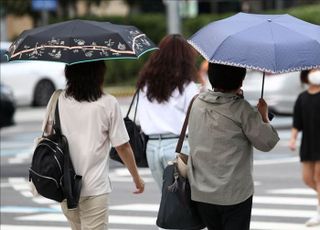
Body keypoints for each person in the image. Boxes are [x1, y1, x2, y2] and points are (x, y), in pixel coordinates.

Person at [43, 61, 145, 230]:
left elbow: (47, 136)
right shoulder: (108, 103)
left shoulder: (57, 99)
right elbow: (122, 147)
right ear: (99, 74)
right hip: (95, 187)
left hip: (65, 186)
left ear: (69, 73)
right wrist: (136, 178)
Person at [187, 63, 280, 230]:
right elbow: (267, 142)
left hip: (202, 191)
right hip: (234, 193)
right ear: (241, 81)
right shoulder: (242, 109)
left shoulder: (196, 103)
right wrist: (263, 116)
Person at [136, 34, 199, 190]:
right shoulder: (187, 86)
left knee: (168, 201)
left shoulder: (145, 84)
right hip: (179, 146)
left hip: (152, 148)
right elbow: (196, 120)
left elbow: (141, 115)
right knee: (186, 202)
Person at [289, 68, 320, 227]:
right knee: (307, 179)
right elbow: (297, 123)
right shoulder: (302, 98)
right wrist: (292, 139)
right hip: (308, 143)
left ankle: (318, 214)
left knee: (318, 178)